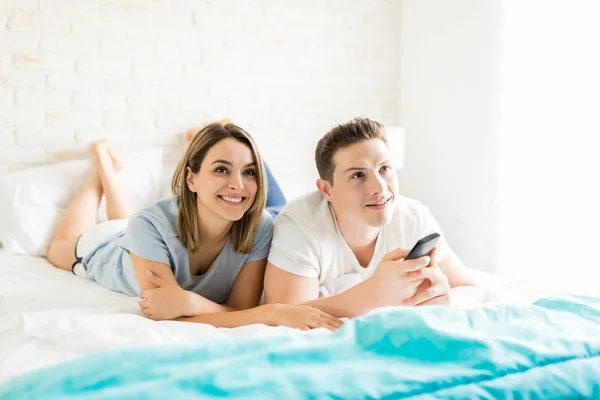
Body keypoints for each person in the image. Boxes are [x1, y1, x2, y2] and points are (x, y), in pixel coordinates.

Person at [46, 121, 342, 331]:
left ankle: (107, 171)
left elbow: (240, 310)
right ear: (191, 179)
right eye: (221, 170)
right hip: (103, 249)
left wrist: (191, 302)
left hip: (140, 234)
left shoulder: (259, 225)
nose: (238, 184)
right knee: (57, 250)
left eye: (249, 172)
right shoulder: (147, 226)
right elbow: (169, 315)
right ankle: (101, 169)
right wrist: (273, 313)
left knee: (126, 219)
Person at [264, 118, 487, 318]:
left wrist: (446, 302)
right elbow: (286, 315)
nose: (379, 188)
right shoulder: (299, 224)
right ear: (327, 190)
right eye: (358, 175)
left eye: (385, 168)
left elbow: (471, 289)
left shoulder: (412, 216)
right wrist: (374, 293)